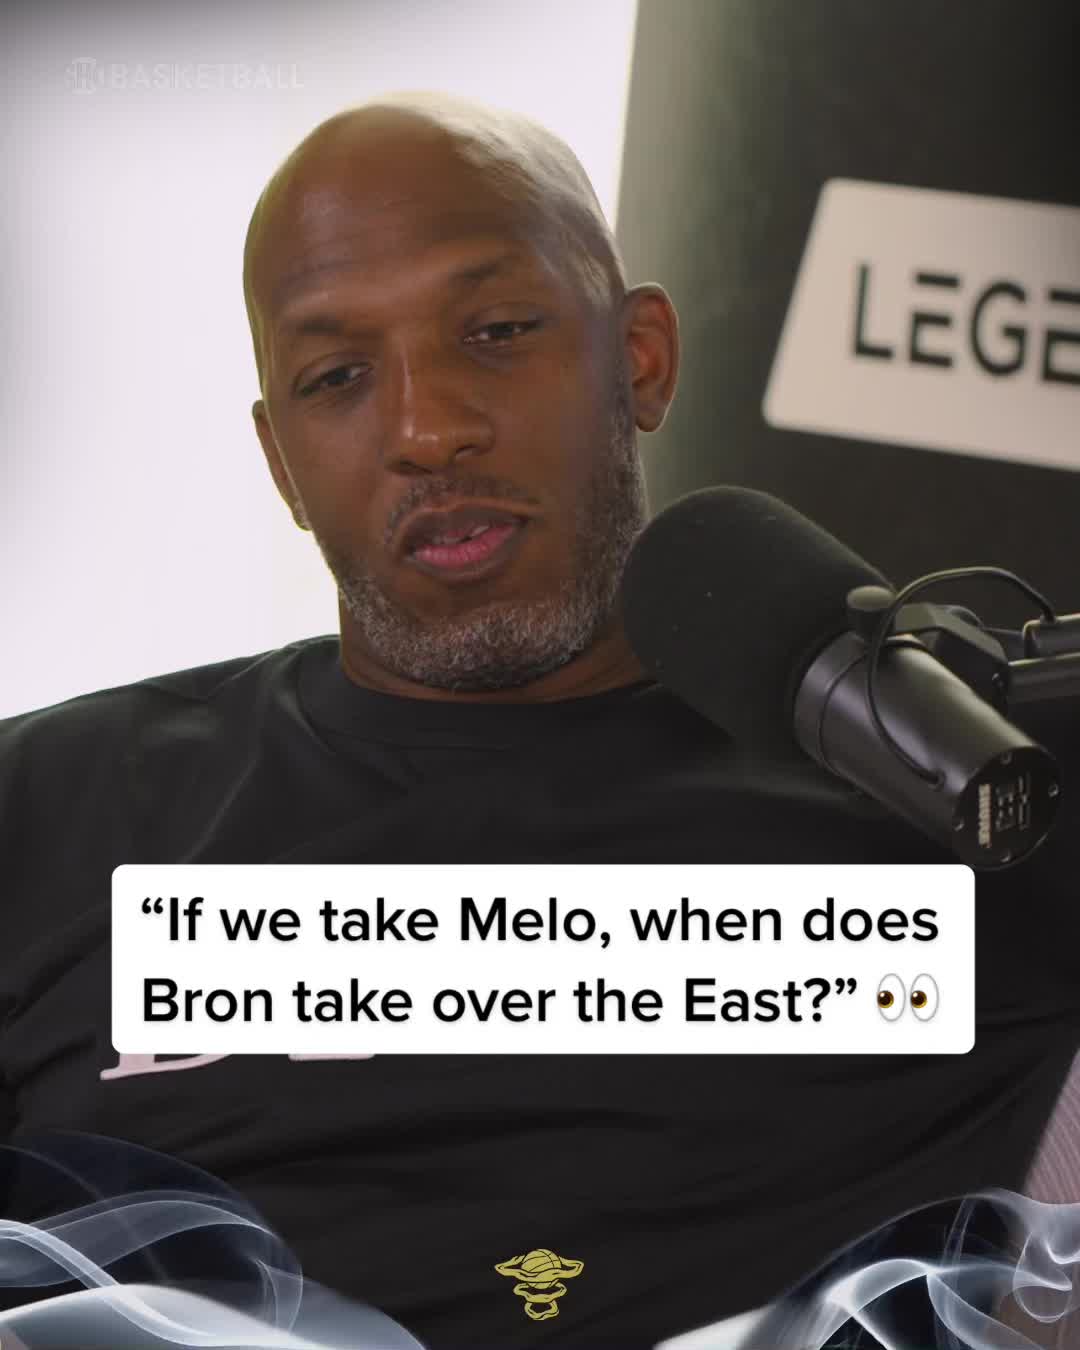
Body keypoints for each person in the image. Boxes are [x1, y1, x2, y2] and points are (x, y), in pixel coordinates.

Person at [1, 92, 1079, 1350]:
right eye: (338, 377)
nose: (429, 429)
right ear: (281, 461)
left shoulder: (972, 783)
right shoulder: (49, 810)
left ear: (641, 359)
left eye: (498, 331)